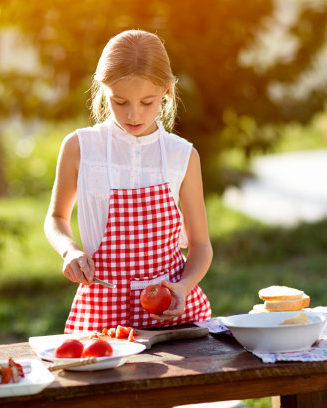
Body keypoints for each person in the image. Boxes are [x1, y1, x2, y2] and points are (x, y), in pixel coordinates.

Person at [44, 29, 212, 333]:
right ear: (103, 89)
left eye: (147, 102)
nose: (133, 115)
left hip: (172, 319)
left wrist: (184, 287)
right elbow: (56, 218)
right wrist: (69, 250)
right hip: (104, 319)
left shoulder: (182, 155)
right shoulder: (80, 147)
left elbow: (201, 245)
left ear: (166, 89)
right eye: (120, 101)